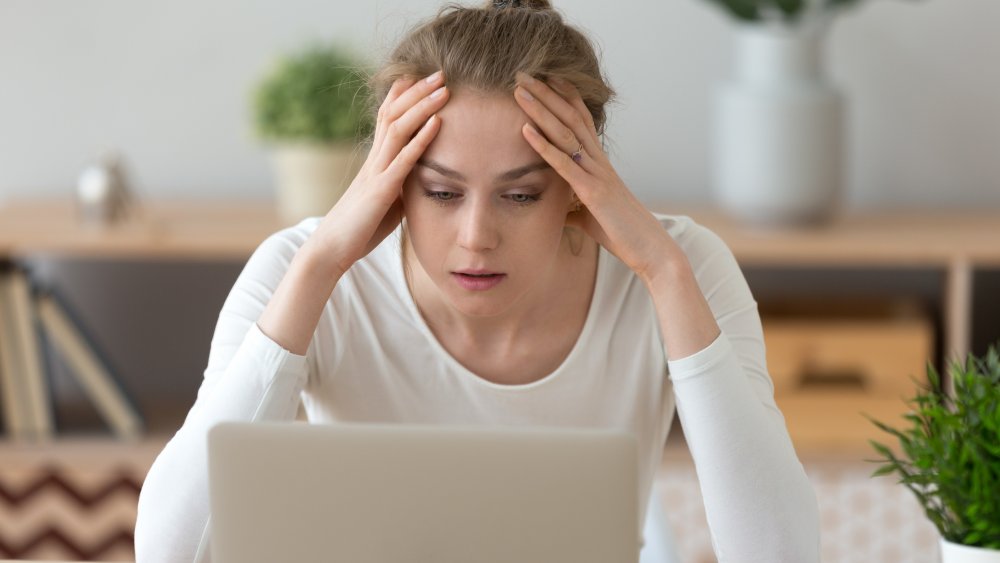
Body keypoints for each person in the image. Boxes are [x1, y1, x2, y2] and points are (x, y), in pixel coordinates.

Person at [135, 0, 820, 561]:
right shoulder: (302, 270)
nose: (475, 238)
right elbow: (168, 551)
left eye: (520, 195)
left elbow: (780, 554)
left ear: (580, 189)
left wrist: (666, 274)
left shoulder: (681, 269)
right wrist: (319, 266)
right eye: (440, 191)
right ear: (396, 182)